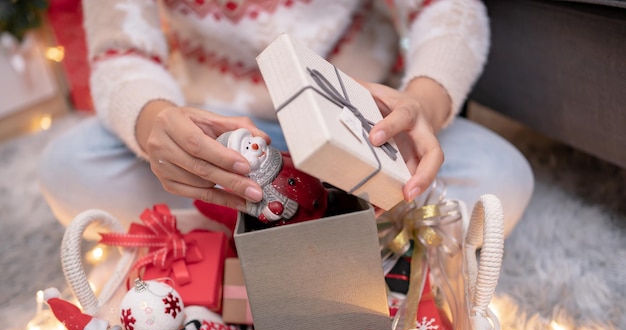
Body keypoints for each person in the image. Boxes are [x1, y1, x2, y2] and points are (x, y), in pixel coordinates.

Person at [38, 0, 533, 238]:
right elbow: (121, 54)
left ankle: (237, 240)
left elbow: (448, 12)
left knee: (498, 177)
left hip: (357, 129)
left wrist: (421, 102)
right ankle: (348, 238)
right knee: (70, 169)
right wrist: (157, 128)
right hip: (224, 139)